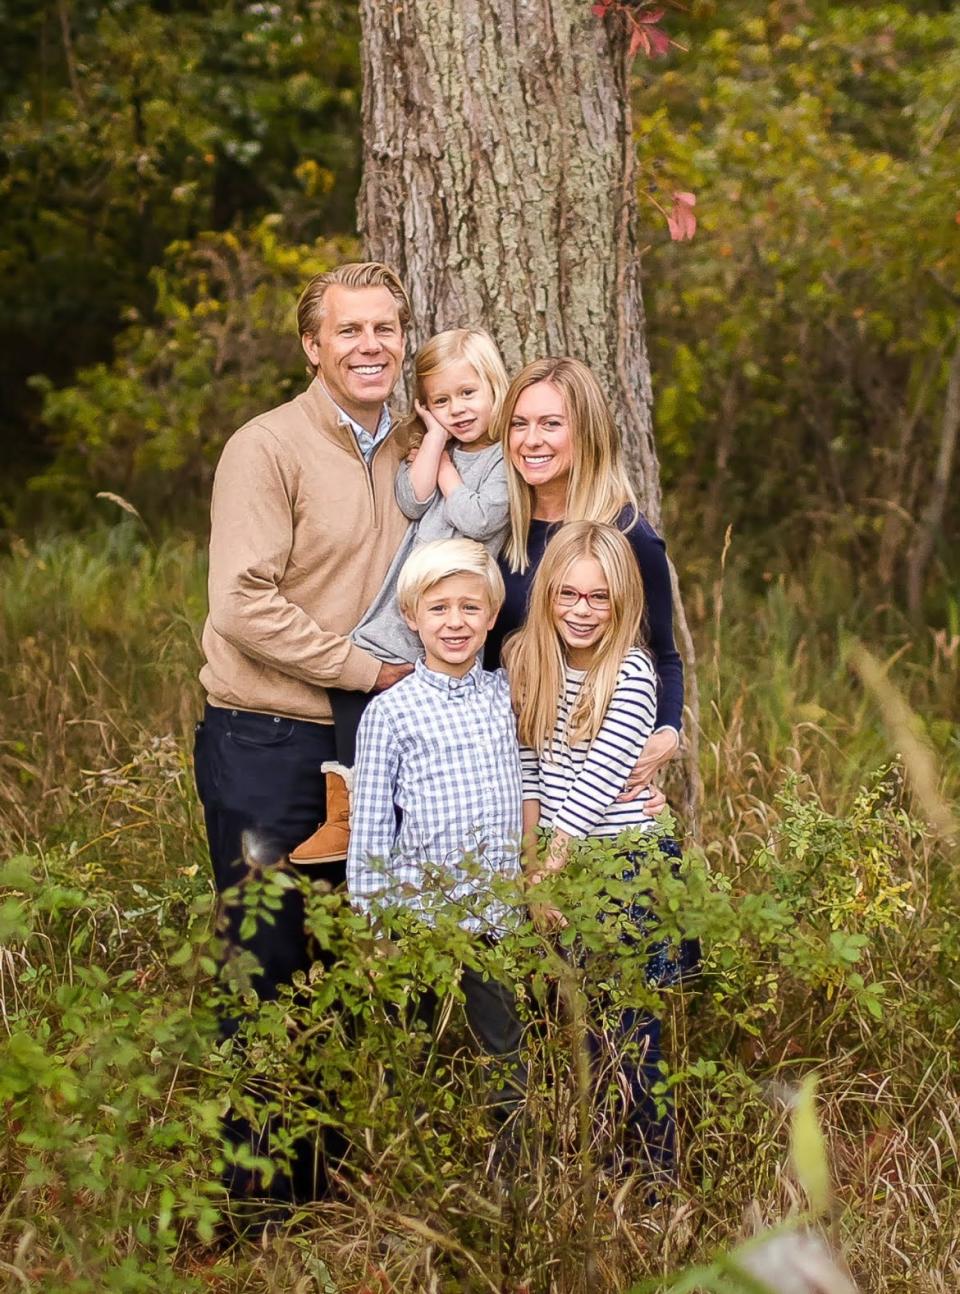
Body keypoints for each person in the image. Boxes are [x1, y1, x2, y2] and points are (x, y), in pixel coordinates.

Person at [193, 261, 414, 1210]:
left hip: (367, 749)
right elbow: (242, 604)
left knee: (336, 963)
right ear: (313, 346)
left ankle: (317, 1185)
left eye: (387, 329)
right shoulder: (267, 447)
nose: (371, 346)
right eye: (350, 331)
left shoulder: (420, 443)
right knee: (264, 963)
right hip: (265, 745)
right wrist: (367, 670)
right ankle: (253, 1209)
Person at [291, 328, 511, 864]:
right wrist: (434, 439)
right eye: (440, 401)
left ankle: (375, 813)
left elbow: (479, 519)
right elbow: (412, 501)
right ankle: (348, 805)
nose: (456, 409)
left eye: (467, 394)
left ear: (494, 390)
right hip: (403, 608)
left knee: (407, 708)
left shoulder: (504, 461)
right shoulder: (438, 448)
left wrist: (449, 471)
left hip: (448, 613)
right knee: (352, 682)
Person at [506, 519, 677, 1176]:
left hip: (619, 869)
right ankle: (599, 1172)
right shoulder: (527, 661)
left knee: (631, 1029)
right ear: (547, 593)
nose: (582, 611)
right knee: (576, 1025)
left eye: (598, 598)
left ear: (622, 601)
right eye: (568, 595)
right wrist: (531, 859)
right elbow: (528, 766)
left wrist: (548, 871)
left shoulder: (630, 671)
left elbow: (600, 779)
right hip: (555, 863)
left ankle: (658, 1182)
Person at [346, 538, 524, 1113]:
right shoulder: (391, 712)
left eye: (470, 608)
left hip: (495, 912)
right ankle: (410, 1161)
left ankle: (513, 1171)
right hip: (418, 917)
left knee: (505, 1052)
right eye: (439, 608)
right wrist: (374, 929)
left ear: (492, 617)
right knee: (411, 1051)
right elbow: (370, 831)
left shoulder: (506, 696)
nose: (455, 622)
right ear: (412, 616)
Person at [484, 357, 683, 800]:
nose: (531, 440)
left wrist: (667, 734)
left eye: (550, 424)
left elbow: (662, 655)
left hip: (579, 781)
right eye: (519, 424)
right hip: (502, 761)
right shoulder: (496, 530)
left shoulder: (628, 539)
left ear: (586, 432)